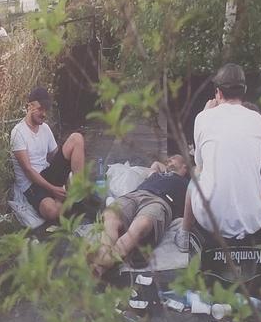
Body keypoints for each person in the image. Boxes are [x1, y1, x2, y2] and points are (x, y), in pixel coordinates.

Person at [183, 63, 261, 241]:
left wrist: (205, 113)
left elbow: (200, 164)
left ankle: (184, 233)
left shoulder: (203, 117)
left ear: (218, 93)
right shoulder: (258, 119)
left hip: (210, 218)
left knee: (196, 173)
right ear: (243, 91)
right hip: (253, 218)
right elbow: (259, 162)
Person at [92, 156, 189, 276]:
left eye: (173, 158)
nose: (168, 160)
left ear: (185, 165)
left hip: (160, 201)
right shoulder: (157, 174)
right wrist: (168, 168)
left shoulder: (188, 183)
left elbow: (197, 171)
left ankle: (102, 261)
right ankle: (106, 257)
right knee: (111, 213)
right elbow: (155, 164)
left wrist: (183, 170)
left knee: (142, 224)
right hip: (136, 195)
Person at [10, 87, 85, 223]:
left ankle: (77, 194)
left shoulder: (45, 128)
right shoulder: (18, 133)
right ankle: (63, 199)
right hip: (31, 184)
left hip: (47, 173)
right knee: (52, 212)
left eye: (46, 109)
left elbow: (54, 156)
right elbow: (28, 170)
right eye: (40, 109)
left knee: (76, 138)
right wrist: (53, 189)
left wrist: (67, 172)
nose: (44, 113)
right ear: (29, 107)